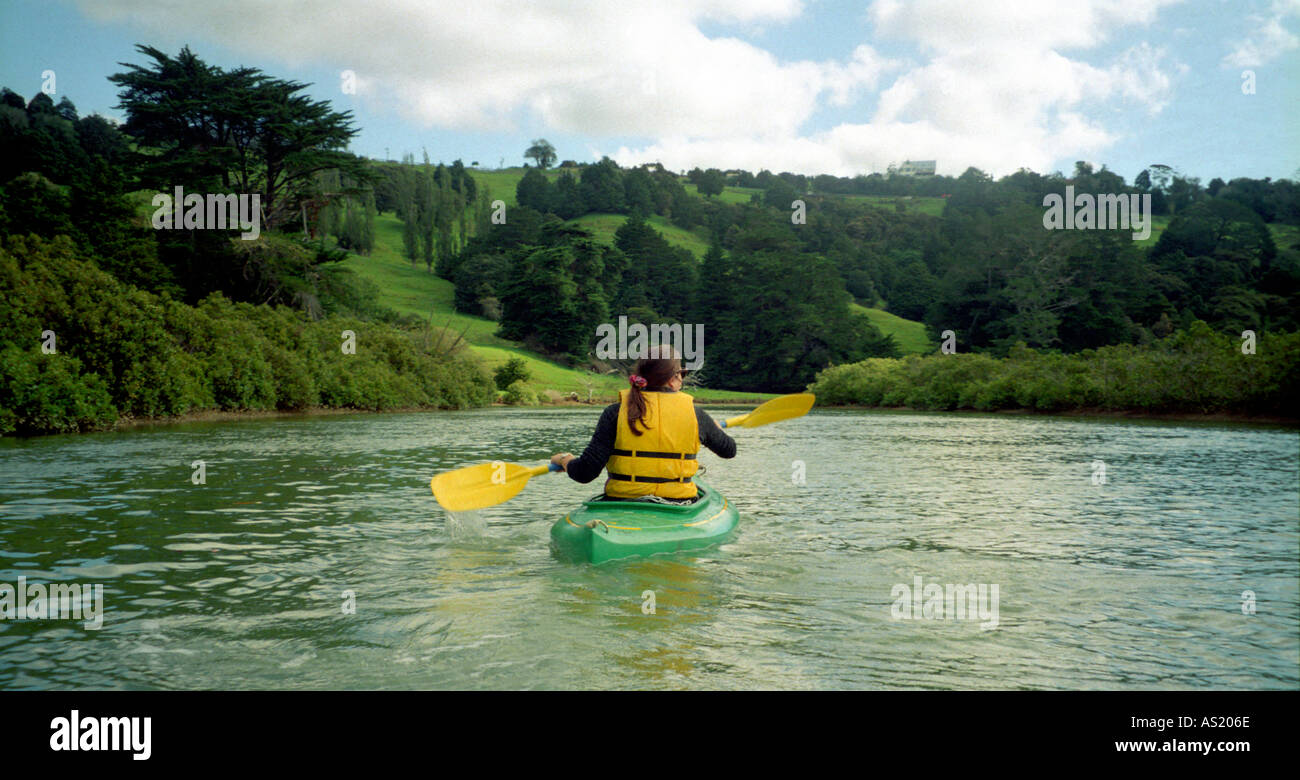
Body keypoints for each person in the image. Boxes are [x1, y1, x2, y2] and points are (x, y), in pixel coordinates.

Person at [550, 350, 735, 502]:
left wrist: (564, 460)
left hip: (622, 501)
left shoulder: (615, 412)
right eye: (682, 374)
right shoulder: (695, 415)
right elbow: (729, 450)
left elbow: (585, 473)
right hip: (678, 503)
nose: (682, 380)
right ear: (672, 379)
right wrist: (714, 429)